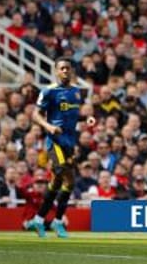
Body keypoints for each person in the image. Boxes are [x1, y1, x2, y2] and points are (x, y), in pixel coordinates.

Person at [22, 58, 95, 238]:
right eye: (61, 68)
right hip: (55, 142)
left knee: (66, 183)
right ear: (56, 71)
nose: (65, 71)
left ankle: (44, 220)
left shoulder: (76, 92)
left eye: (67, 68)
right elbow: (35, 114)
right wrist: (48, 126)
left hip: (70, 143)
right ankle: (50, 221)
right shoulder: (49, 91)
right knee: (62, 172)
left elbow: (71, 116)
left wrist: (85, 119)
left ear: (71, 71)